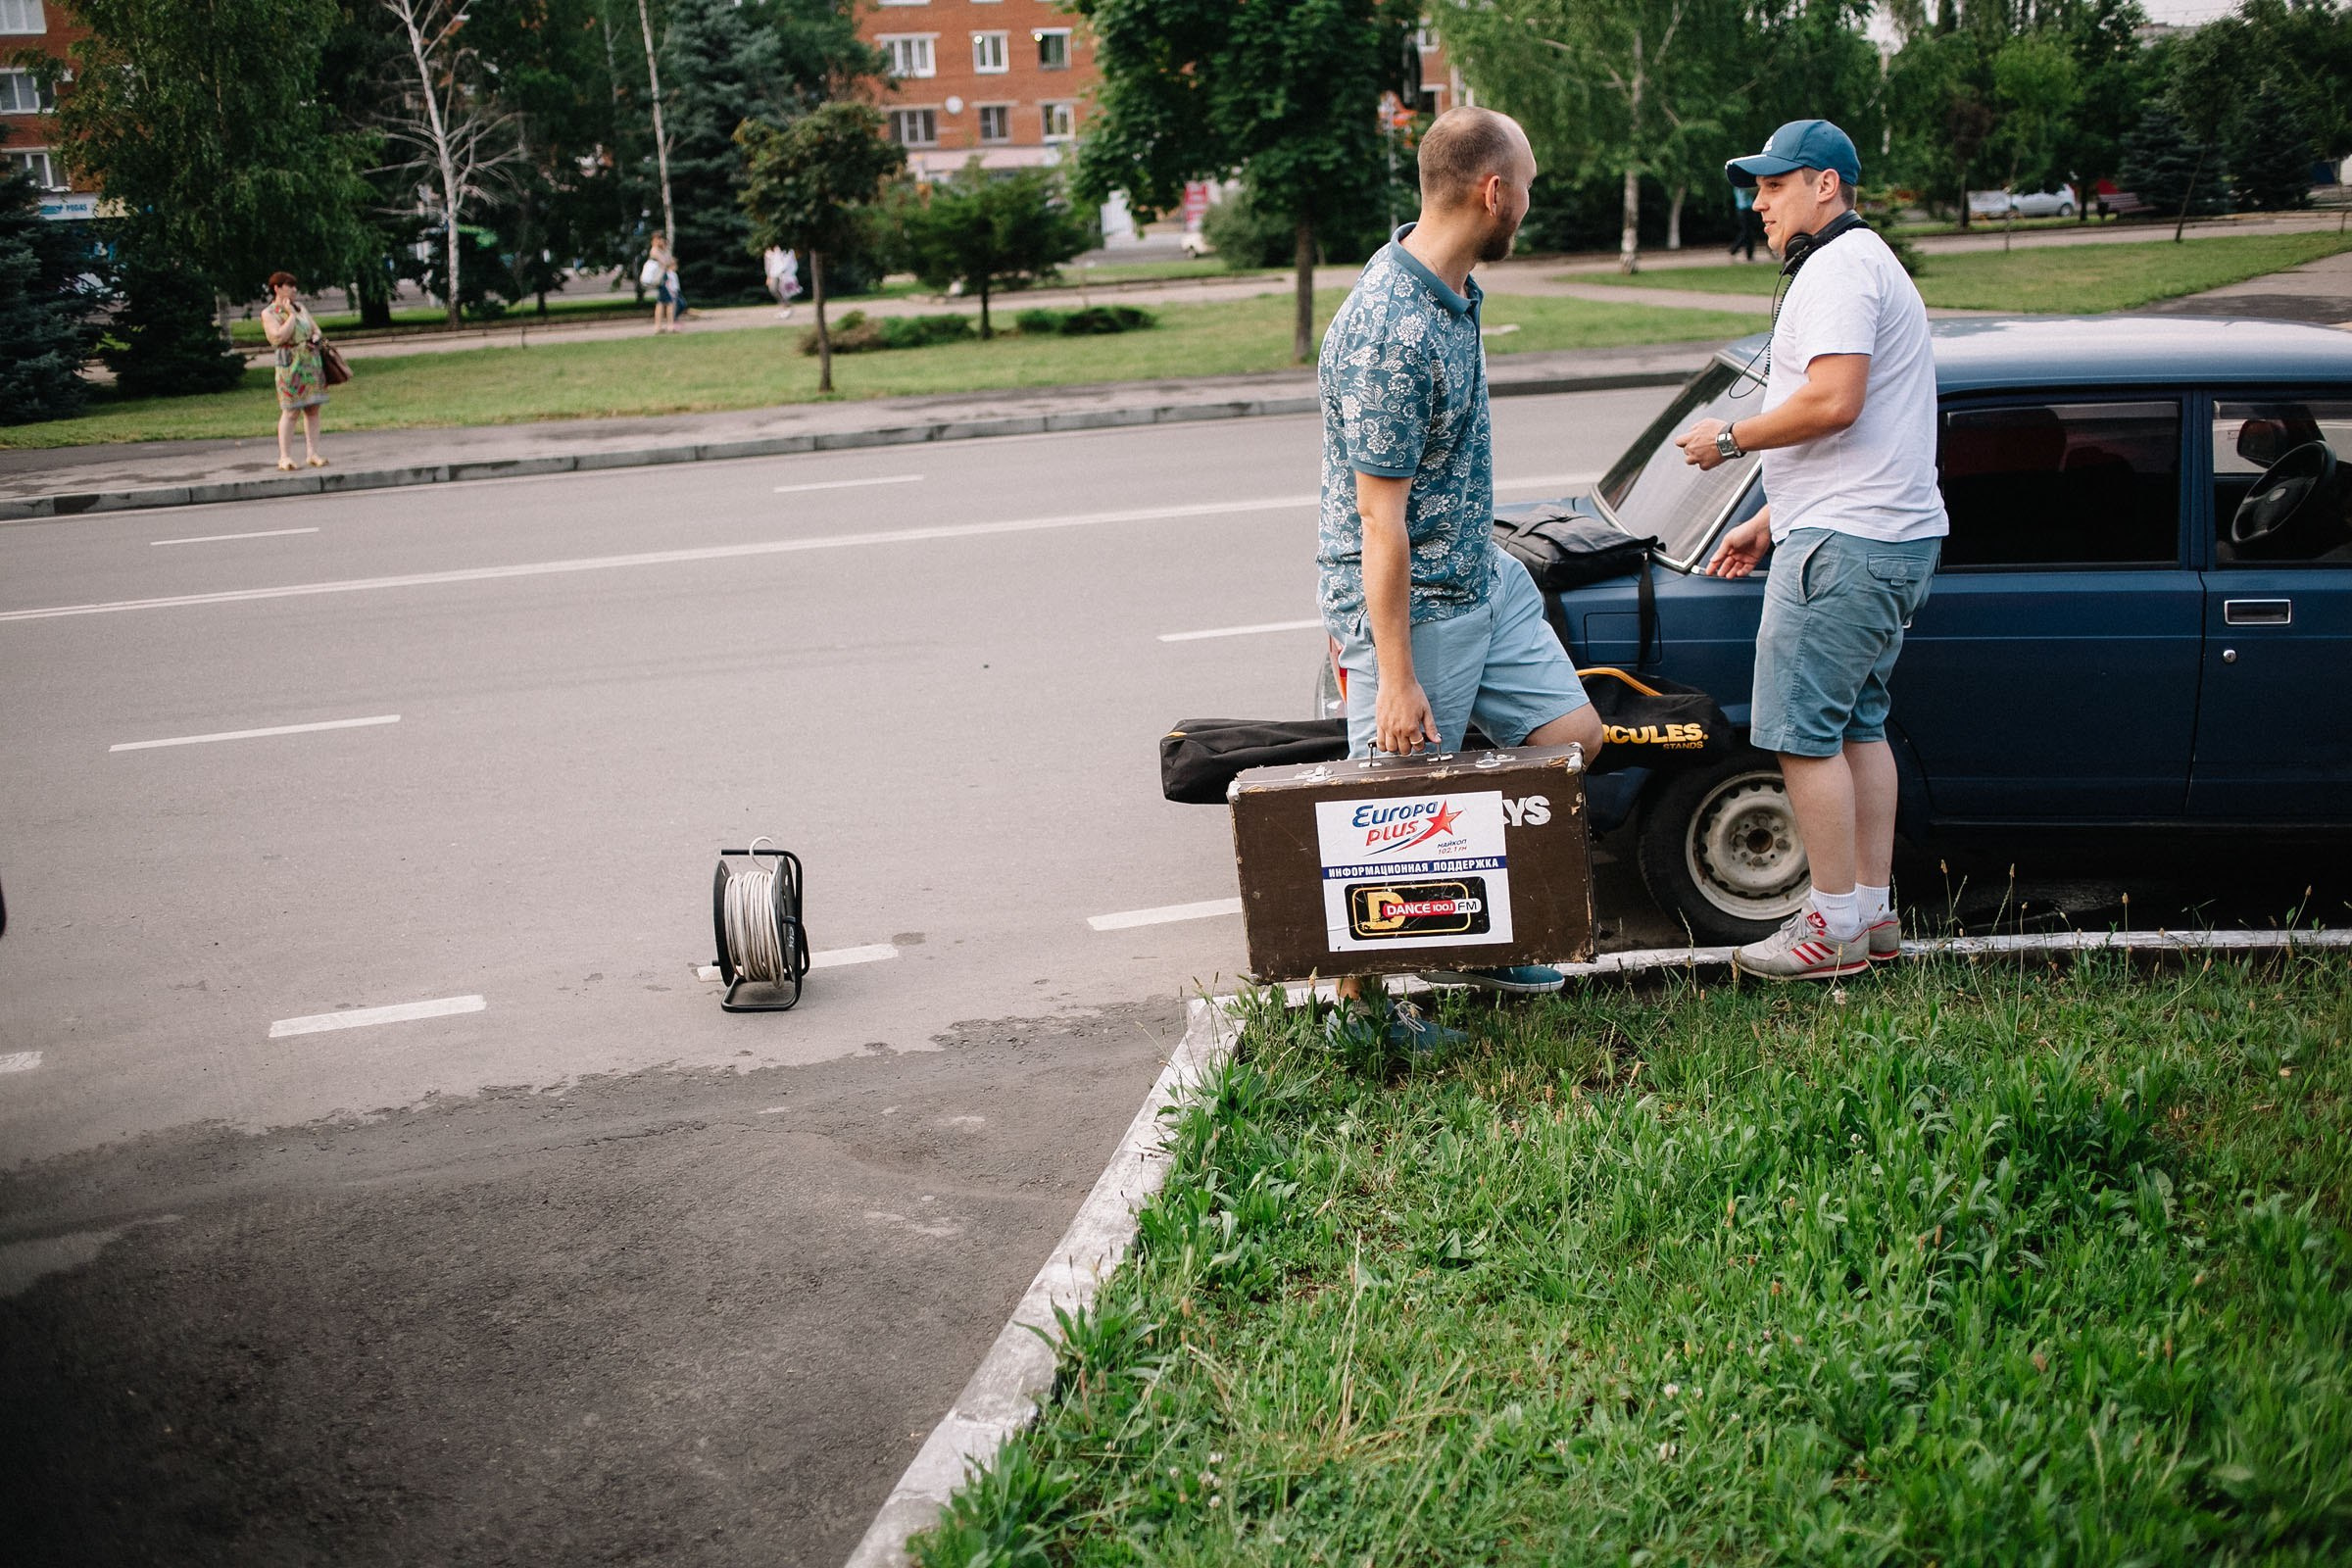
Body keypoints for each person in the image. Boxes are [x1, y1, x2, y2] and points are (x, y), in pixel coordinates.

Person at [1317, 105, 1606, 1049]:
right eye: (1529, 181)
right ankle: (1360, 1019)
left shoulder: (1453, 288)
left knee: (1570, 740)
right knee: (1390, 805)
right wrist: (1390, 672)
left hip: (1480, 573)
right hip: (1419, 604)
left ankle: (1474, 936)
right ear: (1494, 192)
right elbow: (1376, 518)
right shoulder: (1389, 330)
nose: (1533, 197)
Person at [1675, 119, 1947, 981]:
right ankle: (1868, 912)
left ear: (1824, 185)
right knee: (1858, 725)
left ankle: (1827, 928)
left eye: (1773, 185)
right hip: (1885, 533)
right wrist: (1770, 516)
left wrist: (1731, 439)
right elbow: (1861, 424)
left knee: (1798, 735)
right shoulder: (1865, 263)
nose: (1758, 203)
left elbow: (1834, 402)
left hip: (1847, 542)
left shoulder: (1835, 270)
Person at [260, 271, 328, 470]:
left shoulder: (301, 309)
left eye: (294, 286)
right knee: (291, 410)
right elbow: (278, 337)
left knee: (313, 408)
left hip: (310, 363)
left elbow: (316, 329)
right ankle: (285, 456)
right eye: (289, 286)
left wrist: (315, 337)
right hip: (290, 366)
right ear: (277, 288)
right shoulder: (270, 313)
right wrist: (290, 315)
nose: (294, 290)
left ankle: (312, 453)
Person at [643, 235, 681, 334]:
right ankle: (669, 326)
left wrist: (665, 251)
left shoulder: (661, 251)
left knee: (661, 303)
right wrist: (665, 252)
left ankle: (659, 326)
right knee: (669, 303)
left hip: (662, 279)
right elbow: (667, 262)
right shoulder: (655, 250)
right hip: (662, 279)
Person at [764, 244, 800, 319]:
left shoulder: (786, 249)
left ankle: (786, 308)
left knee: (784, 291)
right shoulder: (769, 251)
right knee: (773, 289)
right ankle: (785, 306)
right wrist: (768, 276)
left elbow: (790, 262)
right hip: (774, 273)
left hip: (785, 273)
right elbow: (768, 265)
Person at [1729, 183, 1761, 262]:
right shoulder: (1740, 184)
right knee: (1747, 232)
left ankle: (1748, 254)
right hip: (1743, 209)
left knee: (1749, 233)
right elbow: (1751, 191)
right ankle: (1734, 249)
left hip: (1748, 208)